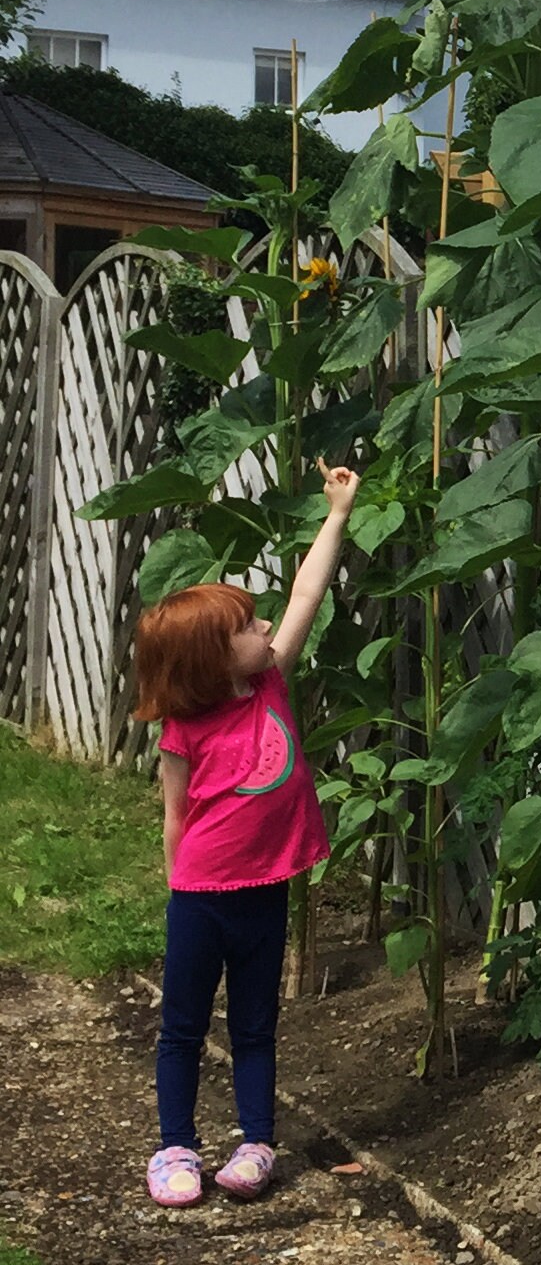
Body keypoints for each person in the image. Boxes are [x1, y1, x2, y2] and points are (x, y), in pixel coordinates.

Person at [136, 463, 356, 1207]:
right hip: (200, 896)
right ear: (211, 658)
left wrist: (337, 514)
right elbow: (174, 815)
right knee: (184, 1028)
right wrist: (179, 890)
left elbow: (307, 594)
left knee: (257, 1023)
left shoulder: (271, 680)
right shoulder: (183, 729)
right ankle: (175, 1149)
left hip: (265, 890)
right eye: (248, 627)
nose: (266, 628)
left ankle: (256, 1143)